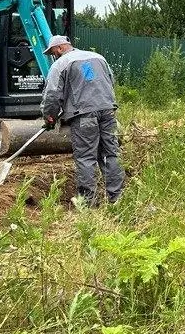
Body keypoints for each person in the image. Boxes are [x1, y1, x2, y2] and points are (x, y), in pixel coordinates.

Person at [40, 35, 125, 206]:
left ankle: (88, 203)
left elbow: (52, 94)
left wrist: (50, 117)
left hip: (84, 116)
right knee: (111, 154)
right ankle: (117, 198)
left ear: (60, 48)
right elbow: (111, 81)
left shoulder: (61, 64)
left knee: (86, 158)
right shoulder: (99, 58)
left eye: (53, 51)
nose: (53, 55)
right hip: (108, 111)